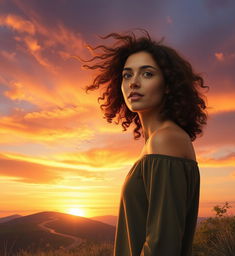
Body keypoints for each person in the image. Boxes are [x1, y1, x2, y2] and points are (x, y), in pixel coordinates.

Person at [76, 29, 209, 256]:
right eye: (127, 75)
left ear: (168, 85)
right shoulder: (158, 141)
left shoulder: (166, 140)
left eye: (147, 74)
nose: (133, 83)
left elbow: (162, 245)